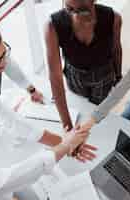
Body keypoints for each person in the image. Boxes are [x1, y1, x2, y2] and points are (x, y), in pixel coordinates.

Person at [45, 0, 123, 130]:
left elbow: (116, 49)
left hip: (104, 75)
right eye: (69, 9)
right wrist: (68, 126)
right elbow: (55, 77)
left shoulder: (114, 18)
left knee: (98, 114)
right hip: (74, 76)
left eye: (83, 9)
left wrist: (119, 76)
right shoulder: (52, 26)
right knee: (80, 107)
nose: (75, 15)